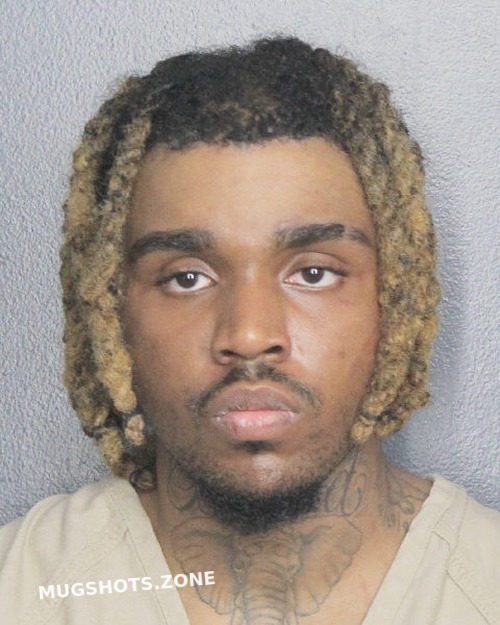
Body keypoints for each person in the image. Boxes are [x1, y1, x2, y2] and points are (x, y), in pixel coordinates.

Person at [0, 36, 498, 625]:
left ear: (399, 300)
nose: (250, 335)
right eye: (187, 278)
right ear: (108, 313)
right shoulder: (22, 589)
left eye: (313, 273)